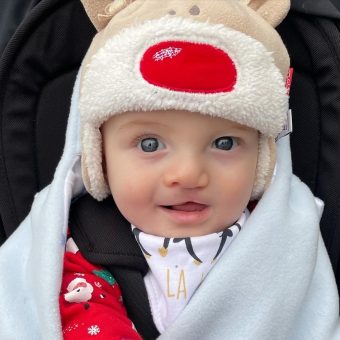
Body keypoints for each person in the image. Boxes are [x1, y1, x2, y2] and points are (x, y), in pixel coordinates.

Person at [0, 0, 339, 339]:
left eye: (225, 143)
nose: (188, 174)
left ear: (263, 162)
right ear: (98, 157)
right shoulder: (75, 251)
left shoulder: (283, 241)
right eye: (150, 144)